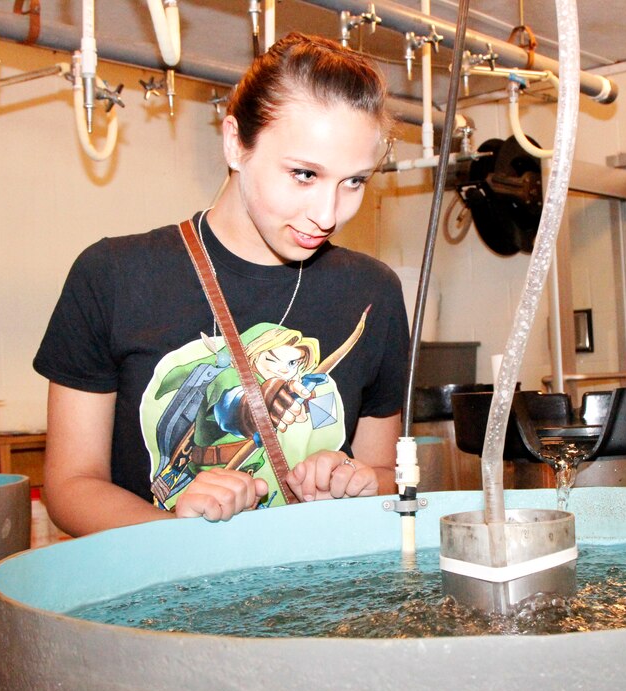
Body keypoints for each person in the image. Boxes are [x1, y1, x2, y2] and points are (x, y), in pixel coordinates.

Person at [34, 32, 409, 536]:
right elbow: (71, 486)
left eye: (355, 182)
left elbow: (384, 473)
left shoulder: (373, 293)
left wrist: (355, 482)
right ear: (235, 142)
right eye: (304, 174)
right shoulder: (114, 276)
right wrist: (174, 532)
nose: (327, 215)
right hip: (157, 603)